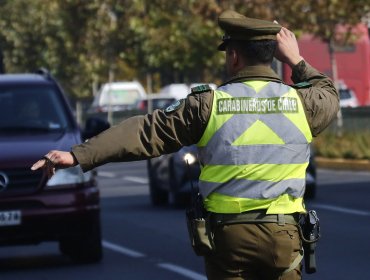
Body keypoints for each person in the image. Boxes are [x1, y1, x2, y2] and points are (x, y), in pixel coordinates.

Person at [32, 10, 339, 280]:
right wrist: (296, 60)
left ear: (233, 57)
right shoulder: (303, 103)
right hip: (283, 237)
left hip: (228, 238)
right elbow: (328, 92)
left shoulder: (209, 104)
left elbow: (144, 133)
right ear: (274, 54)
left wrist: (77, 155)